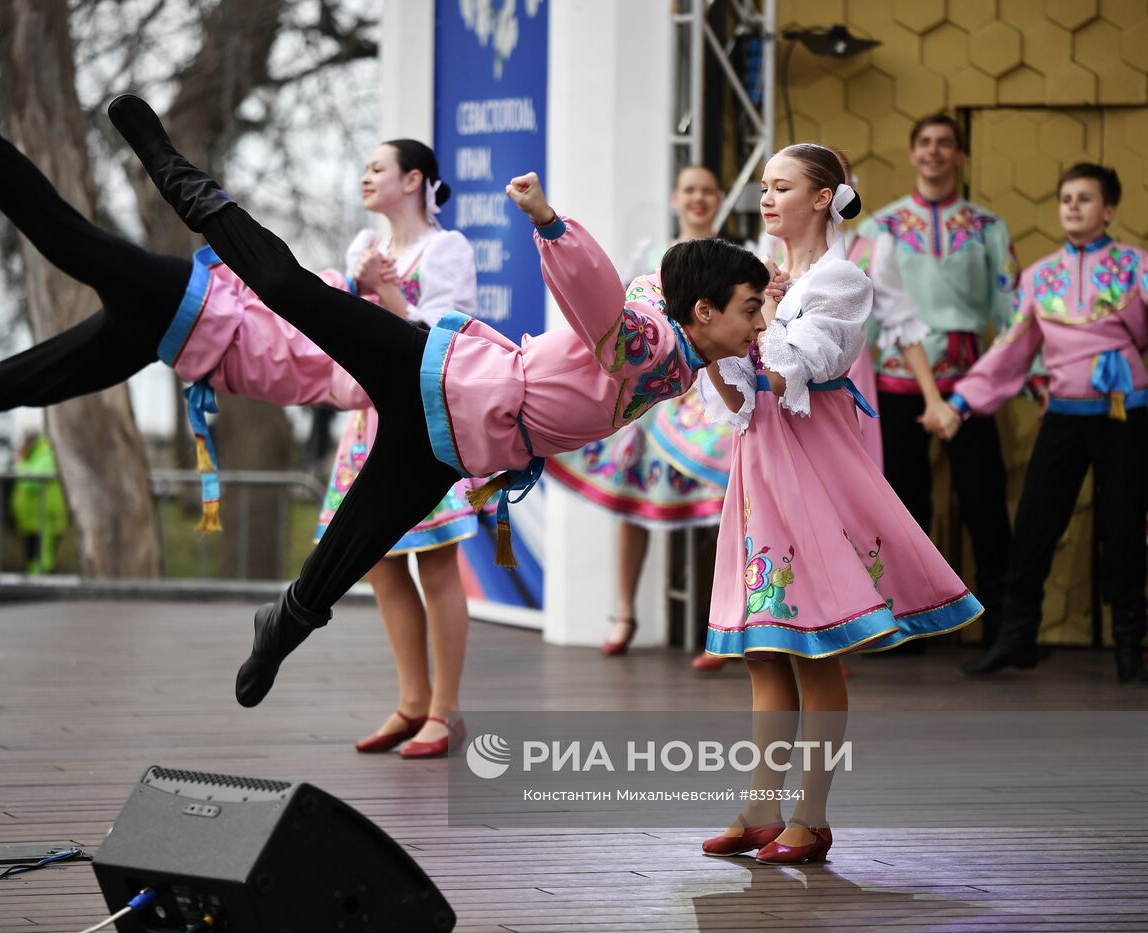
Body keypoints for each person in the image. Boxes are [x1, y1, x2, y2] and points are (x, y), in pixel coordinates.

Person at [107, 93, 774, 708]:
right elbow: (605, 300)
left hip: (453, 445)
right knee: (286, 286)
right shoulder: (650, 344)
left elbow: (656, 294)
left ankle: (285, 619)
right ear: (707, 312)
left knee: (357, 539)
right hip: (435, 375)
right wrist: (550, 224)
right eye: (751, 311)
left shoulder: (684, 348)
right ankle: (174, 170)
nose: (759, 325)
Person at [0, 67, 372, 530]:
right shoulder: (348, 329)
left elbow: (361, 390)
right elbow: (301, 297)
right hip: (183, 300)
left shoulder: (355, 379)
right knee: (60, 236)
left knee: (42, 378)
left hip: (172, 337)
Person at [697, 144, 982, 864]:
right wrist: (710, 348)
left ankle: (811, 815)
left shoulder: (841, 277)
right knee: (764, 649)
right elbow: (739, 395)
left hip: (811, 472)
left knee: (813, 648)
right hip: (758, 471)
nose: (766, 197)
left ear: (824, 197)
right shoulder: (759, 279)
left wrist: (758, 317)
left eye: (782, 186)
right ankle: (761, 809)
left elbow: (810, 366)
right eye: (763, 185)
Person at [927, 164, 1148, 683]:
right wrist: (959, 405)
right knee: (1032, 529)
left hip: (1125, 415)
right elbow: (1011, 350)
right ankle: (1016, 638)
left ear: (1109, 210)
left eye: (1085, 198)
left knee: (1121, 533)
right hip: (1064, 416)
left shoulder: (1137, 267)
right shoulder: (1040, 276)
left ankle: (1128, 649)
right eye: (1066, 197)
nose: (1072, 206)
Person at [325, 141, 479, 757]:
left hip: (422, 420)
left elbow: (450, 338)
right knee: (379, 561)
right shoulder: (363, 249)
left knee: (436, 561)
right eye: (364, 169)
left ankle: (445, 709)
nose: (366, 177)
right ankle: (412, 702)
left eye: (378, 169)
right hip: (367, 422)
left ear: (415, 179)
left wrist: (386, 297)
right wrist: (356, 291)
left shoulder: (447, 249)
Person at [545, 165, 730, 657]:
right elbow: (625, 320)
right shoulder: (652, 254)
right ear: (675, 197)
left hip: (706, 397)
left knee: (718, 506)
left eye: (707, 190)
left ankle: (721, 624)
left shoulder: (735, 259)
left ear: (718, 198)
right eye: (689, 189)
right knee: (632, 497)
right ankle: (624, 610)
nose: (698, 198)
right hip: (659, 393)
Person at [858, 114, 1017, 643]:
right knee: (902, 508)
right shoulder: (878, 228)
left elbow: (1012, 311)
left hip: (967, 386)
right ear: (911, 154)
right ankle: (905, 624)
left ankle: (1005, 628)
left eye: (945, 143)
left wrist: (1032, 383)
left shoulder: (988, 227)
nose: (934, 152)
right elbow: (863, 314)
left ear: (961, 155)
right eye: (924, 143)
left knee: (985, 502)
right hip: (895, 384)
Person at [10, 430, 68, 574]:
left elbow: (31, 483)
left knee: (42, 557)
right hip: (32, 518)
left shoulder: (45, 453)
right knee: (32, 556)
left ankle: (40, 586)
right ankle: (35, 584)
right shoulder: (36, 454)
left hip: (44, 517)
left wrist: (20, 464)